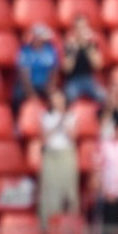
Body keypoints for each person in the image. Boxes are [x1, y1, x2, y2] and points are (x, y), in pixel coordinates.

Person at [38, 88, 80, 225]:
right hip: (51, 155)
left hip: (66, 154)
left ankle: (70, 221)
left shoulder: (71, 116)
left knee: (68, 188)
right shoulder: (46, 116)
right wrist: (58, 123)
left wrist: (64, 121)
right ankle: (46, 221)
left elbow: (73, 137)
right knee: (50, 189)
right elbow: (45, 137)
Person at [12, 24, 59, 116]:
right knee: (17, 97)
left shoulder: (50, 50)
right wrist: (31, 94)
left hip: (44, 85)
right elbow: (24, 75)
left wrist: (51, 87)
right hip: (27, 85)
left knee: (57, 98)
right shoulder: (25, 51)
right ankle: (16, 121)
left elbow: (54, 71)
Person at [62, 15, 105, 104]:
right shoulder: (69, 45)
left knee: (104, 97)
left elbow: (98, 66)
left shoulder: (92, 44)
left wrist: (88, 46)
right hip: (73, 80)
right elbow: (67, 69)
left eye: (83, 27)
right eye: (78, 28)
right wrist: (74, 49)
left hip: (89, 79)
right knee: (68, 97)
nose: (81, 31)